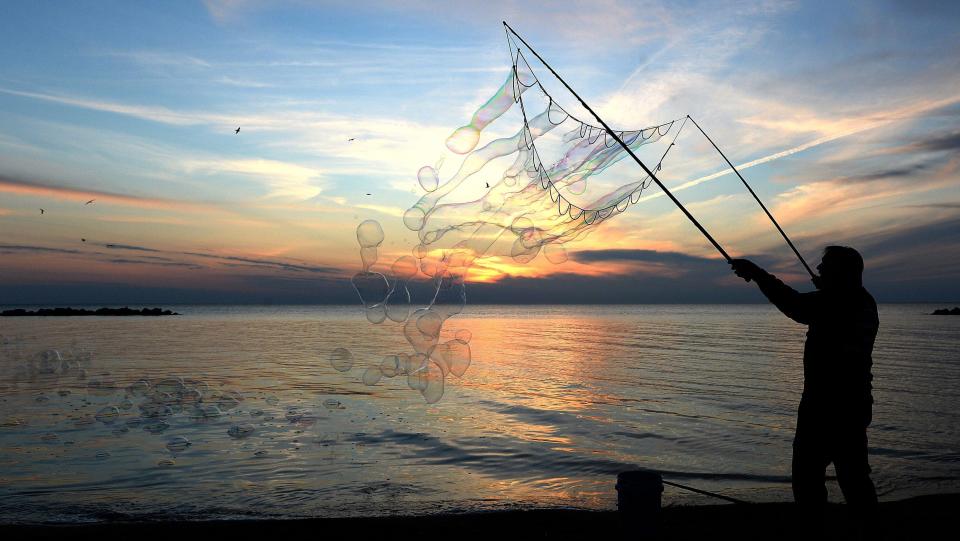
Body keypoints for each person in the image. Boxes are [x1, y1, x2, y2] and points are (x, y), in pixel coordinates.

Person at [730, 246, 878, 527]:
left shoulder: (837, 303)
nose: (819, 270)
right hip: (854, 405)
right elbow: (825, 306)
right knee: (855, 478)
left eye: (825, 266)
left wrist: (757, 273)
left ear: (842, 272)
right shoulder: (863, 301)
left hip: (825, 408)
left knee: (808, 478)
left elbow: (794, 304)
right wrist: (828, 291)